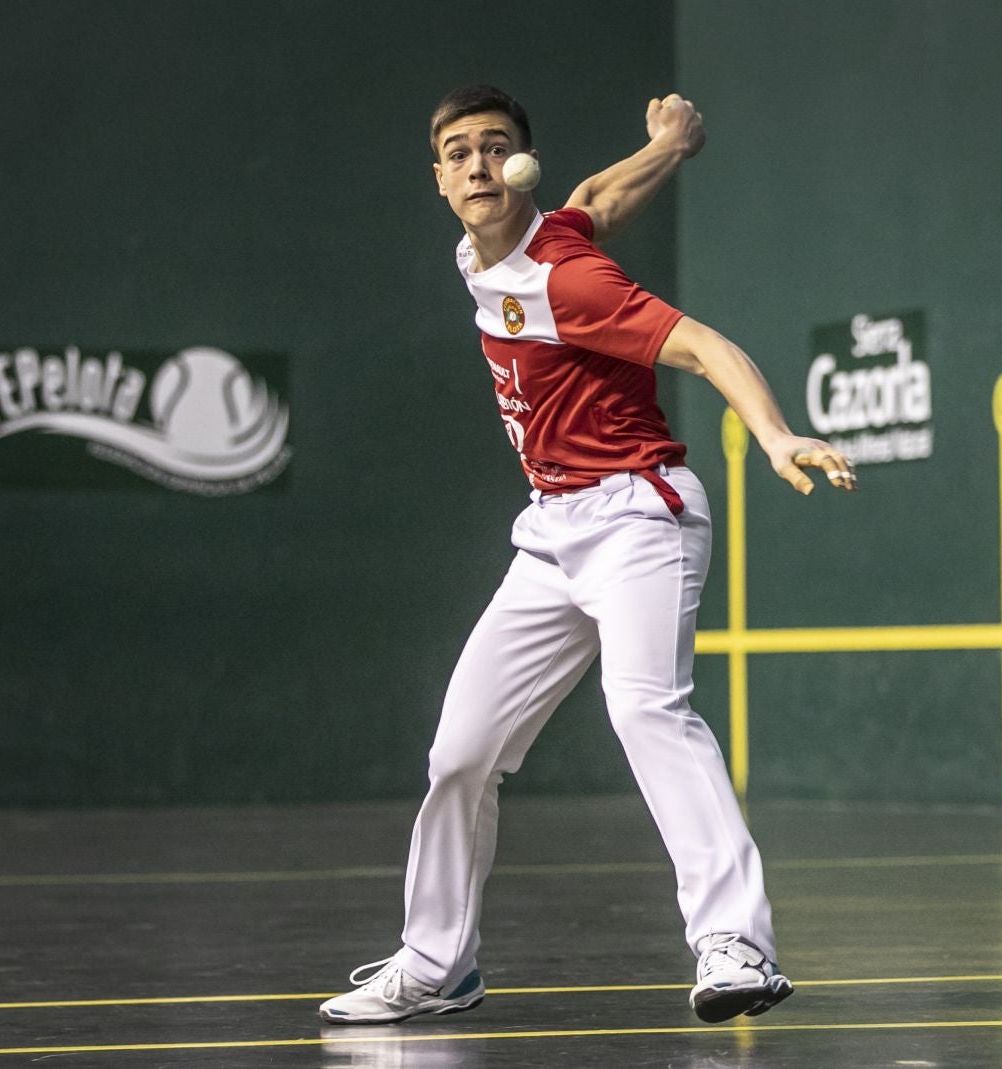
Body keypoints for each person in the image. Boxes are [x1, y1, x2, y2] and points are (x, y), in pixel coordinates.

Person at [320, 86, 857, 1027]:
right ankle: (437, 962)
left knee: (646, 707)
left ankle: (736, 943)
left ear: (519, 164)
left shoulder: (570, 280)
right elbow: (597, 200)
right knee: (461, 751)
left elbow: (703, 346)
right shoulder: (487, 250)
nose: (480, 165)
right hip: (552, 530)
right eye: (460, 152)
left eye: (497, 147)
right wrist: (670, 143)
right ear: (440, 179)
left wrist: (774, 434)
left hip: (640, 513)